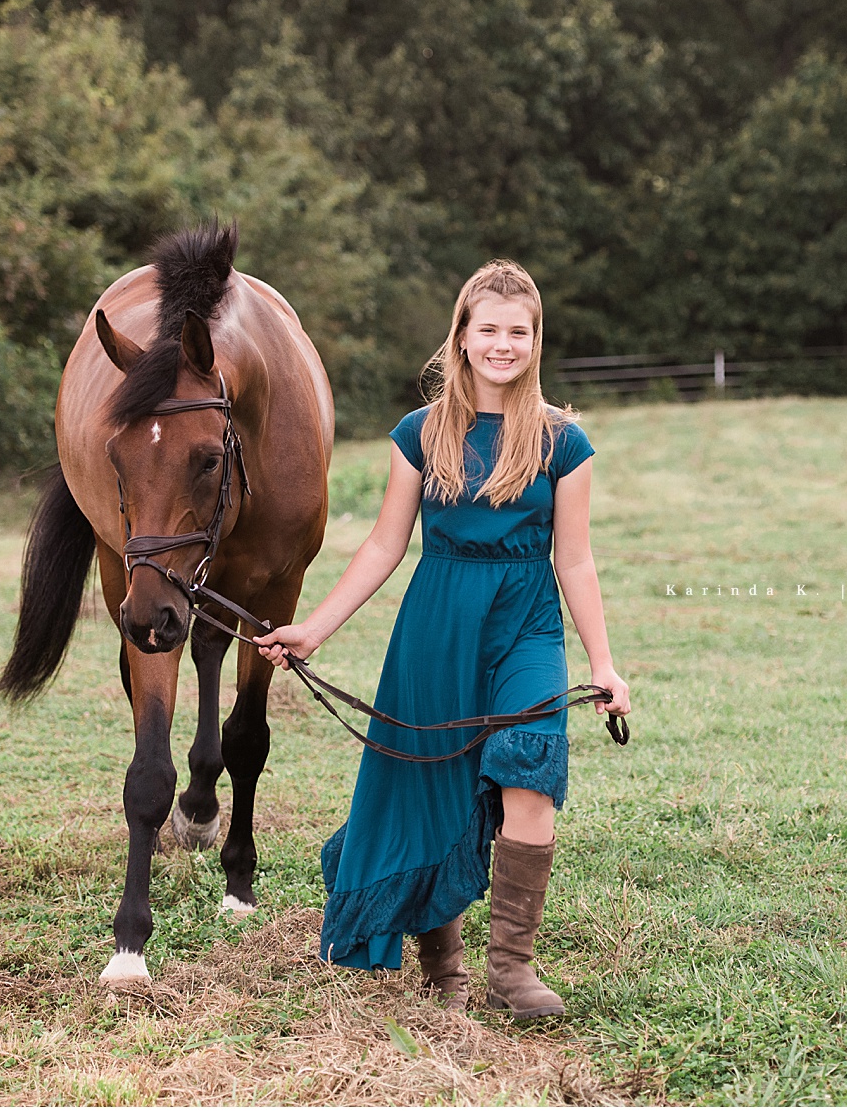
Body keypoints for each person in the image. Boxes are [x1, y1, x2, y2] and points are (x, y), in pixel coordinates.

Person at [252, 259, 632, 1019]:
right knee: (436, 783)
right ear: (461, 337)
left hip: (526, 622)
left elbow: (575, 558)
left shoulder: (564, 440)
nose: (502, 344)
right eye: (487, 329)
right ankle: (444, 963)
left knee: (529, 773)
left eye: (517, 332)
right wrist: (315, 628)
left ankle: (513, 971)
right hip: (437, 620)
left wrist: (604, 663)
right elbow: (384, 547)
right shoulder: (420, 435)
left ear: (535, 339)